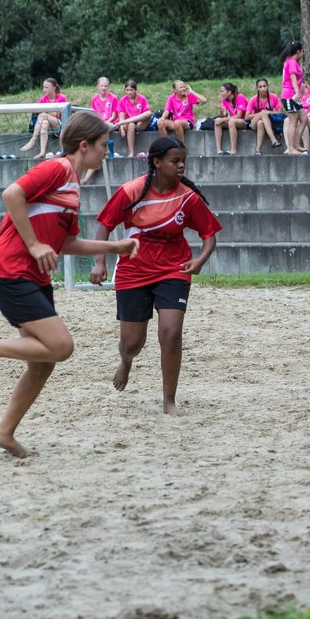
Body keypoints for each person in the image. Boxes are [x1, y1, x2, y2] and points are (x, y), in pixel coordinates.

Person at [0, 112, 140, 458]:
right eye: (104, 146)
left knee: (43, 362)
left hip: (33, 276)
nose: (107, 151)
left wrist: (113, 248)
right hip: (9, 271)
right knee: (61, 347)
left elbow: (67, 244)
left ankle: (4, 433)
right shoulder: (57, 169)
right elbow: (11, 194)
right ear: (84, 146)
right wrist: (33, 245)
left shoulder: (73, 185)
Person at [89, 136, 222, 415]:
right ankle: (126, 361)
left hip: (174, 268)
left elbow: (209, 234)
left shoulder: (187, 196)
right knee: (132, 342)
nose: (181, 165)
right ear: (157, 162)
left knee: (171, 333)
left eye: (184, 160)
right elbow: (104, 224)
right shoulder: (131, 191)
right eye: (175, 161)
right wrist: (99, 262)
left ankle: (169, 400)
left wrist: (200, 260)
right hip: (133, 270)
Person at [19, 78, 67, 155]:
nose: (44, 89)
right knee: (44, 122)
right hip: (49, 127)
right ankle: (42, 152)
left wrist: (45, 112)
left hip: (60, 126)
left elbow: (57, 114)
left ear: (54, 88)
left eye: (46, 87)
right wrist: (48, 112)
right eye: (43, 87)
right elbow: (39, 111)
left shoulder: (61, 97)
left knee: (42, 115)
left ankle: (32, 141)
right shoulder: (42, 99)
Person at [156, 80, 208, 149]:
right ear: (175, 90)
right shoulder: (171, 98)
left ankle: (182, 148)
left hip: (188, 122)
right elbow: (167, 110)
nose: (183, 88)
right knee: (160, 123)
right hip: (175, 122)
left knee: (177, 123)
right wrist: (162, 117)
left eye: (184, 86)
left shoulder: (189, 96)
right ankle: (166, 147)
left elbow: (204, 100)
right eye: (181, 87)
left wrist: (192, 91)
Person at [280, 41, 308, 155]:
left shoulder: (294, 62)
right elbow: (293, 78)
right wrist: (297, 93)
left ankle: (296, 144)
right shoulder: (291, 62)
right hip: (290, 95)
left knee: (304, 118)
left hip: (294, 96)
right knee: (293, 122)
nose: (304, 52)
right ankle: (291, 148)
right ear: (298, 51)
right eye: (302, 50)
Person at [244, 78, 282, 155]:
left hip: (267, 122)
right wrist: (261, 114)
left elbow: (279, 112)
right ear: (257, 88)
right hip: (253, 123)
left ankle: (257, 150)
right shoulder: (253, 99)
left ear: (267, 86)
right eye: (260, 87)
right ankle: (273, 140)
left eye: (264, 86)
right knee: (262, 114)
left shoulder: (273, 97)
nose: (263, 89)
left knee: (260, 123)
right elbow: (246, 117)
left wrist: (268, 112)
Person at [116, 79, 152, 157]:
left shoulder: (141, 98)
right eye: (127, 90)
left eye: (131, 90)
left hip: (139, 124)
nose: (129, 92)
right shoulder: (122, 100)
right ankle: (131, 152)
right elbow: (121, 116)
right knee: (131, 124)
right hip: (127, 124)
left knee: (149, 113)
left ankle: (132, 121)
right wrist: (122, 128)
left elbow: (147, 113)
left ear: (135, 90)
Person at [212, 82, 249, 156]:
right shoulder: (224, 100)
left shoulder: (240, 97)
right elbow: (224, 116)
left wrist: (223, 119)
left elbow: (239, 116)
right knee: (217, 122)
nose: (220, 93)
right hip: (232, 120)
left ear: (229, 92)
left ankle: (233, 151)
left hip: (244, 121)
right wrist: (221, 113)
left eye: (222, 91)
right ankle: (219, 150)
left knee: (231, 122)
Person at [89, 77, 119, 157]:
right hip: (99, 123)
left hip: (111, 122)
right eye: (101, 86)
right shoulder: (94, 99)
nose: (103, 88)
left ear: (108, 87)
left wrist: (105, 122)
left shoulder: (113, 98)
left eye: (105, 86)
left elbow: (114, 115)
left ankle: (107, 150)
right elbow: (93, 114)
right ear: (97, 86)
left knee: (103, 126)